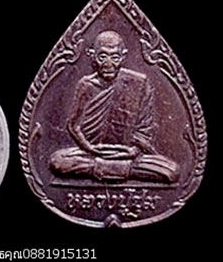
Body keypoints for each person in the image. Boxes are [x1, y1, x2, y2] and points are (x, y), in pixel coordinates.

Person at [50, 30, 178, 183]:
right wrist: (90, 148)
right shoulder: (86, 84)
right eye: (102, 57)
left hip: (126, 154)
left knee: (172, 171)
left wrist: (133, 151)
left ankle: (105, 168)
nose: (108, 64)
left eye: (115, 57)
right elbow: (73, 126)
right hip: (91, 153)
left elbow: (145, 127)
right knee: (57, 161)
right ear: (92, 56)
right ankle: (123, 170)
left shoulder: (138, 83)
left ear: (123, 57)